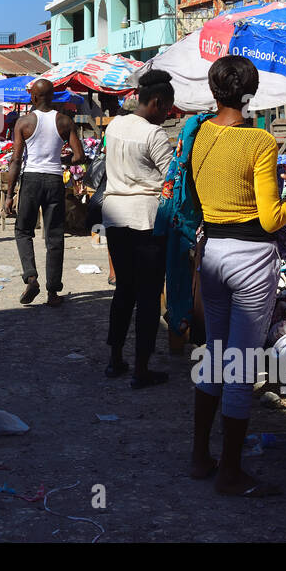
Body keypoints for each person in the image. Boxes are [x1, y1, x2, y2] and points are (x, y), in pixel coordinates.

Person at [189, 56, 286, 498]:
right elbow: (271, 217)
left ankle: (201, 456)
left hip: (213, 253)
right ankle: (231, 473)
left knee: (215, 353)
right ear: (250, 93)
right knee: (240, 365)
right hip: (251, 259)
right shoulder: (260, 141)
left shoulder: (199, 132)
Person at [101, 71, 176, 388]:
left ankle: (115, 359)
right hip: (146, 220)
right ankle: (142, 368)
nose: (168, 115)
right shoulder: (154, 135)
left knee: (124, 290)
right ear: (157, 103)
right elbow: (172, 177)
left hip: (115, 216)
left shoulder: (116, 124)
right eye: (168, 108)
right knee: (147, 296)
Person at [4, 78, 85, 306]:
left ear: (33, 97)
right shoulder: (65, 121)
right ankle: (53, 292)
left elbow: (16, 160)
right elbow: (80, 157)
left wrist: (10, 195)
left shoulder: (24, 123)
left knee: (23, 231)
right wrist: (62, 159)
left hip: (31, 180)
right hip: (54, 180)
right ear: (53, 97)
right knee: (55, 236)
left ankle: (31, 277)